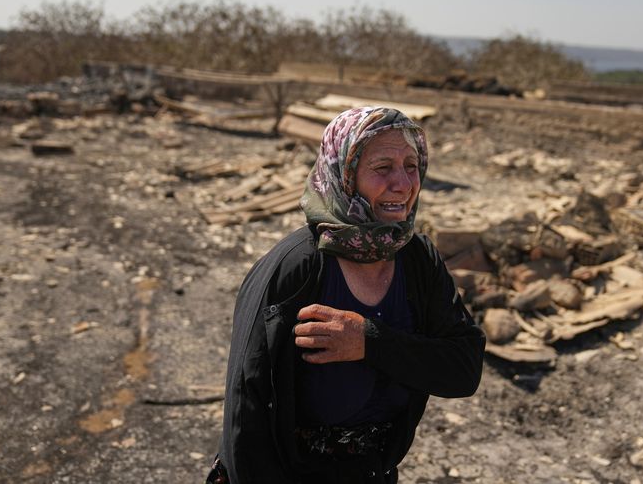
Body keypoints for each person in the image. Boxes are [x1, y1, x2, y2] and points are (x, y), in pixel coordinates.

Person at [208, 107, 485, 484]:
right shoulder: (295, 268)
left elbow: (463, 371)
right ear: (344, 174)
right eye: (383, 167)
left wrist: (369, 341)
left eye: (412, 165)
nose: (403, 184)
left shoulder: (418, 260)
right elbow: (247, 412)